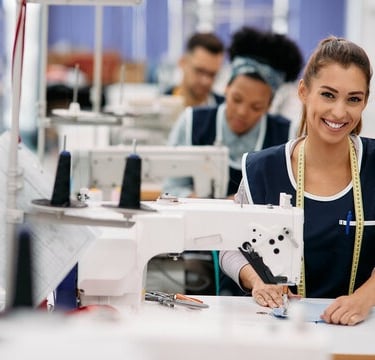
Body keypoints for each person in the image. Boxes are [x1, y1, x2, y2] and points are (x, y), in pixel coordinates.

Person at [220, 36, 375, 325]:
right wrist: (258, 281)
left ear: (364, 101)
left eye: (353, 99)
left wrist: (365, 298)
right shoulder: (261, 170)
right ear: (303, 91)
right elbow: (230, 247)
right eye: (328, 95)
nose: (340, 112)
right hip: (279, 327)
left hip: (364, 327)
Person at [163, 26, 303, 198]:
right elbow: (172, 188)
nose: (242, 112)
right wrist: (220, 207)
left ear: (269, 105)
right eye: (236, 99)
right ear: (226, 88)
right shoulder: (192, 123)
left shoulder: (286, 136)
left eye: (256, 107)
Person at [165, 32, 225, 108]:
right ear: (182, 63)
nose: (206, 81)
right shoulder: (157, 107)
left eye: (212, 74)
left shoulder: (225, 110)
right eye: (199, 71)